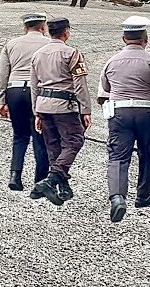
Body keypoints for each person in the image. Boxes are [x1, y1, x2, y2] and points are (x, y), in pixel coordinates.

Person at [97, 15, 150, 223]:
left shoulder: (111, 61)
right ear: (145, 39)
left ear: (124, 39)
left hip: (119, 113)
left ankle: (117, 197)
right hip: (147, 114)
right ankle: (143, 196)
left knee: (117, 156)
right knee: (147, 154)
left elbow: (105, 88)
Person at [29, 17, 92, 205]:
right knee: (74, 140)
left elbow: (34, 86)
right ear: (66, 32)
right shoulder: (72, 53)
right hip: (65, 106)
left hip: (43, 104)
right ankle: (52, 179)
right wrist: (85, 110)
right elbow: (80, 85)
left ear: (49, 32)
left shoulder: (37, 54)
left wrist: (36, 112)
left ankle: (63, 188)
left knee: (54, 145)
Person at [0, 12, 50, 191]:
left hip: (15, 90)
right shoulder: (49, 44)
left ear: (25, 27)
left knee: (19, 135)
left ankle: (15, 176)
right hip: (39, 91)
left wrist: (2, 100)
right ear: (43, 27)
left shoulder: (11, 44)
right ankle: (40, 180)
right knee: (40, 135)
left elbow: (2, 74)